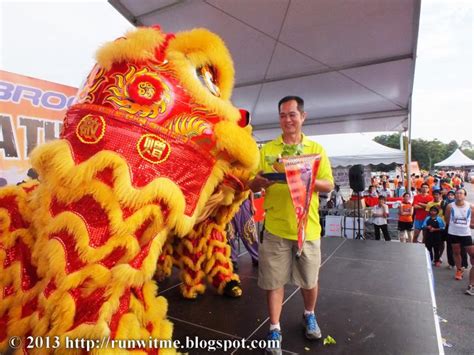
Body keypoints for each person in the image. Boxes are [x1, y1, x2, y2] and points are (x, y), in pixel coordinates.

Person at [248, 96, 334, 353]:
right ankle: (274, 327)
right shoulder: (267, 150)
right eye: (283, 115)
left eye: (292, 114)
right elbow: (252, 185)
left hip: (307, 228)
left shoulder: (316, 149)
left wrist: (301, 176)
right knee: (274, 281)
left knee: (309, 280)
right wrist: (260, 182)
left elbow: (328, 185)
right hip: (274, 228)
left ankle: (309, 313)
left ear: (303, 117)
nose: (287, 120)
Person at [444, 189, 474, 295]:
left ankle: (471, 274)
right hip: (453, 233)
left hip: (466, 234)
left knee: (472, 254)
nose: (458, 195)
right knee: (456, 252)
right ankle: (459, 269)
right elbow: (447, 220)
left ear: (465, 195)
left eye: (461, 193)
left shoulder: (470, 206)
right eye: (457, 193)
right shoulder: (450, 206)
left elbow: (473, 222)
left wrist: (467, 225)